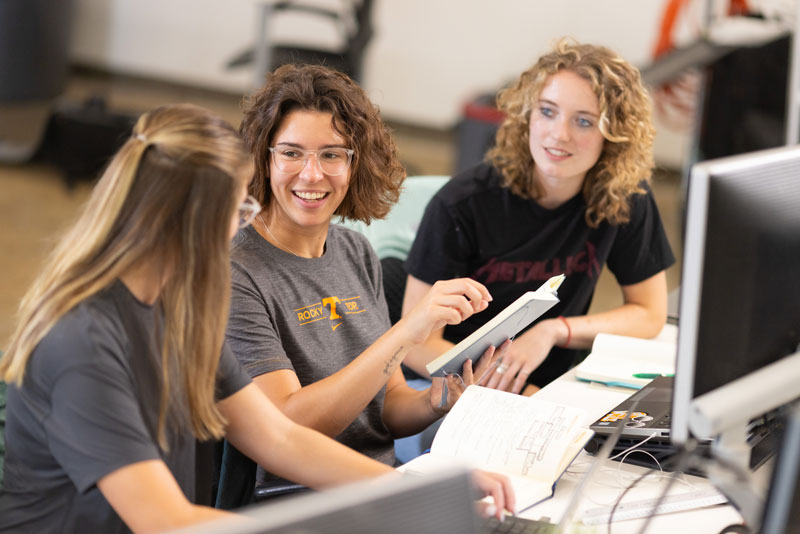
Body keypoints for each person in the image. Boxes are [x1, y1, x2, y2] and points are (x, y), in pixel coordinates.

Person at [0, 104, 514, 533]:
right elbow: (164, 521)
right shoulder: (84, 341)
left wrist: (420, 491)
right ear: (190, 219)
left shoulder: (182, 309)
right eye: (237, 209)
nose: (242, 225)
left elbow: (277, 437)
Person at [226, 64, 508, 486]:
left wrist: (436, 403)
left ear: (355, 164)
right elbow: (286, 425)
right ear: (261, 159)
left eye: (332, 154)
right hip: (299, 499)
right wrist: (407, 332)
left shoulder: (353, 250)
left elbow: (388, 406)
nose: (312, 173)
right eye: (291, 152)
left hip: (383, 486)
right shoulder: (235, 271)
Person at [402, 38, 676, 396]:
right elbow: (414, 343)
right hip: (456, 385)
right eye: (547, 111)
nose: (559, 135)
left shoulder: (623, 197)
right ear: (527, 115)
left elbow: (649, 312)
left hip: (557, 384)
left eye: (583, 121)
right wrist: (513, 389)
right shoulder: (462, 205)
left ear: (614, 135)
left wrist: (554, 331)